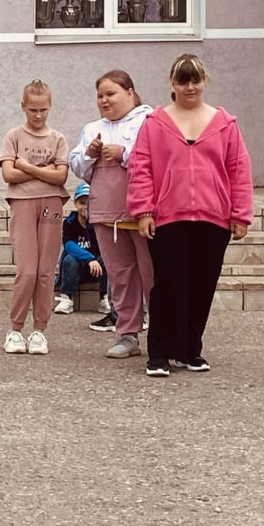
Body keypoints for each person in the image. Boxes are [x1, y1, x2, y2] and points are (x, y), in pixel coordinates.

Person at [127, 54, 253, 377]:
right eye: (183, 80)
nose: (190, 86)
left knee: (202, 284)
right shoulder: (154, 124)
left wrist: (241, 214)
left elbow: (238, 169)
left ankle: (189, 350)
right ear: (173, 83)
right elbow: (142, 168)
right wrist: (143, 210)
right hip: (168, 217)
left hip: (214, 219)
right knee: (167, 284)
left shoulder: (225, 123)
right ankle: (159, 353)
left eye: (195, 80)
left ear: (204, 81)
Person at [74, 69, 153, 359]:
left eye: (111, 94)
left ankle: (161, 333)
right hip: (106, 212)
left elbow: (157, 159)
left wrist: (123, 153)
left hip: (143, 212)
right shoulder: (93, 127)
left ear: (130, 93)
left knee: (152, 275)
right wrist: (89, 154)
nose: (104, 101)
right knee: (120, 276)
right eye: (99, 96)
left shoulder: (149, 121)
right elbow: (78, 168)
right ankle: (127, 334)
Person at [0, 80, 72, 354]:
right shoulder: (14, 136)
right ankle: (15, 329)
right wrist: (45, 169)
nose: (38, 115)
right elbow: (8, 175)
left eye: (43, 109)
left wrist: (27, 166)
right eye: (32, 110)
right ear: (23, 107)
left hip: (51, 202)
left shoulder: (58, 139)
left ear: (50, 107)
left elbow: (61, 177)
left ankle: (39, 330)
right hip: (22, 202)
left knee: (44, 272)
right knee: (27, 271)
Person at [55, 192, 111, 324]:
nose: (85, 207)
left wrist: (94, 259)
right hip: (76, 269)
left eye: (89, 203)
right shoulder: (69, 222)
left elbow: (106, 246)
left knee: (107, 258)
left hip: (98, 270)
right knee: (70, 259)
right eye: (81, 203)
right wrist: (89, 258)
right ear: (75, 204)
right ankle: (67, 297)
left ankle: (105, 298)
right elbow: (68, 245)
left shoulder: (99, 222)